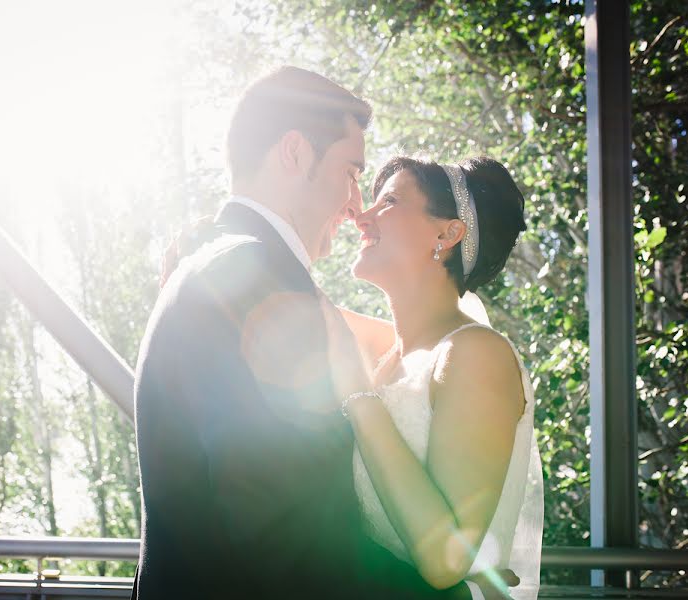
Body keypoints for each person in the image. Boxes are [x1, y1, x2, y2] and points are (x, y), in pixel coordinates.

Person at [132, 67, 483, 599]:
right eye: (349, 172)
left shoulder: (222, 264)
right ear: (294, 153)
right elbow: (289, 545)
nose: (353, 205)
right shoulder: (259, 281)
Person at [341, 156, 544, 599]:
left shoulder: (476, 354)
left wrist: (358, 399)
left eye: (390, 201)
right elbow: (304, 309)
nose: (363, 217)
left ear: (448, 233)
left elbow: (446, 562)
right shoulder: (392, 355)